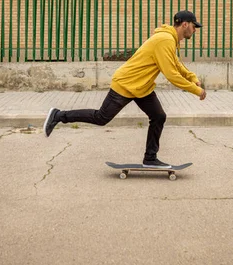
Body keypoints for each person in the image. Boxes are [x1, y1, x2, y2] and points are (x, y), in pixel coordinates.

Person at [43, 10, 207, 168]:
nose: (195, 29)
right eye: (194, 26)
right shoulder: (165, 40)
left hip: (142, 87)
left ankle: (150, 158)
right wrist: (196, 90)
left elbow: (176, 64)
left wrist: (192, 77)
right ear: (185, 24)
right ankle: (58, 115)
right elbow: (171, 74)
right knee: (101, 117)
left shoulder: (169, 39)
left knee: (158, 116)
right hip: (127, 83)